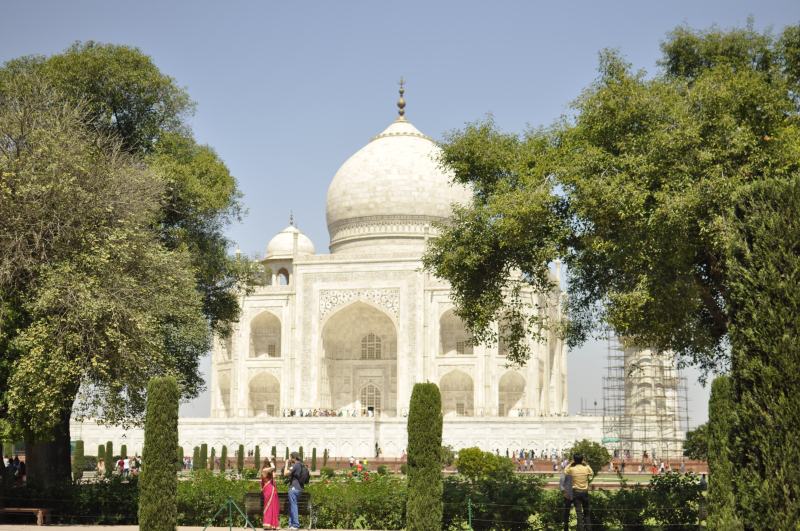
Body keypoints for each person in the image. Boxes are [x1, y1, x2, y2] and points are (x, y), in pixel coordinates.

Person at [565, 453, 594, 530]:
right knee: (587, 513)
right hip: (585, 492)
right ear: (582, 459)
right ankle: (589, 529)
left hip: (576, 492)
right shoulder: (586, 468)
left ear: (574, 460)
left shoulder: (572, 469)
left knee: (579, 514)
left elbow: (565, 471)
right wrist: (585, 463)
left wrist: (571, 463)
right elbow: (592, 472)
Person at [282, 451, 308, 529]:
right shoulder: (301, 465)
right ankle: (291, 524)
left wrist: (286, 463)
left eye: (290, 457)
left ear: (293, 458)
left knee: (293, 506)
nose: (289, 459)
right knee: (292, 506)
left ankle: (295, 524)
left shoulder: (296, 465)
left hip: (294, 488)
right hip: (300, 488)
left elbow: (285, 473)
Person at [261, 465, 279, 529]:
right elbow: (273, 467)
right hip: (269, 491)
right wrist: (272, 463)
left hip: (271, 491)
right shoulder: (264, 472)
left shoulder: (266, 473)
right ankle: (270, 524)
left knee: (272, 507)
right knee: (269, 507)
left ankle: (270, 524)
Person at [559, 467, 574, 531]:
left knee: (579, 513)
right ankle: (565, 529)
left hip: (576, 495)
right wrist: (565, 493)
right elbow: (561, 484)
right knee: (566, 514)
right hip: (568, 495)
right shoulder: (566, 471)